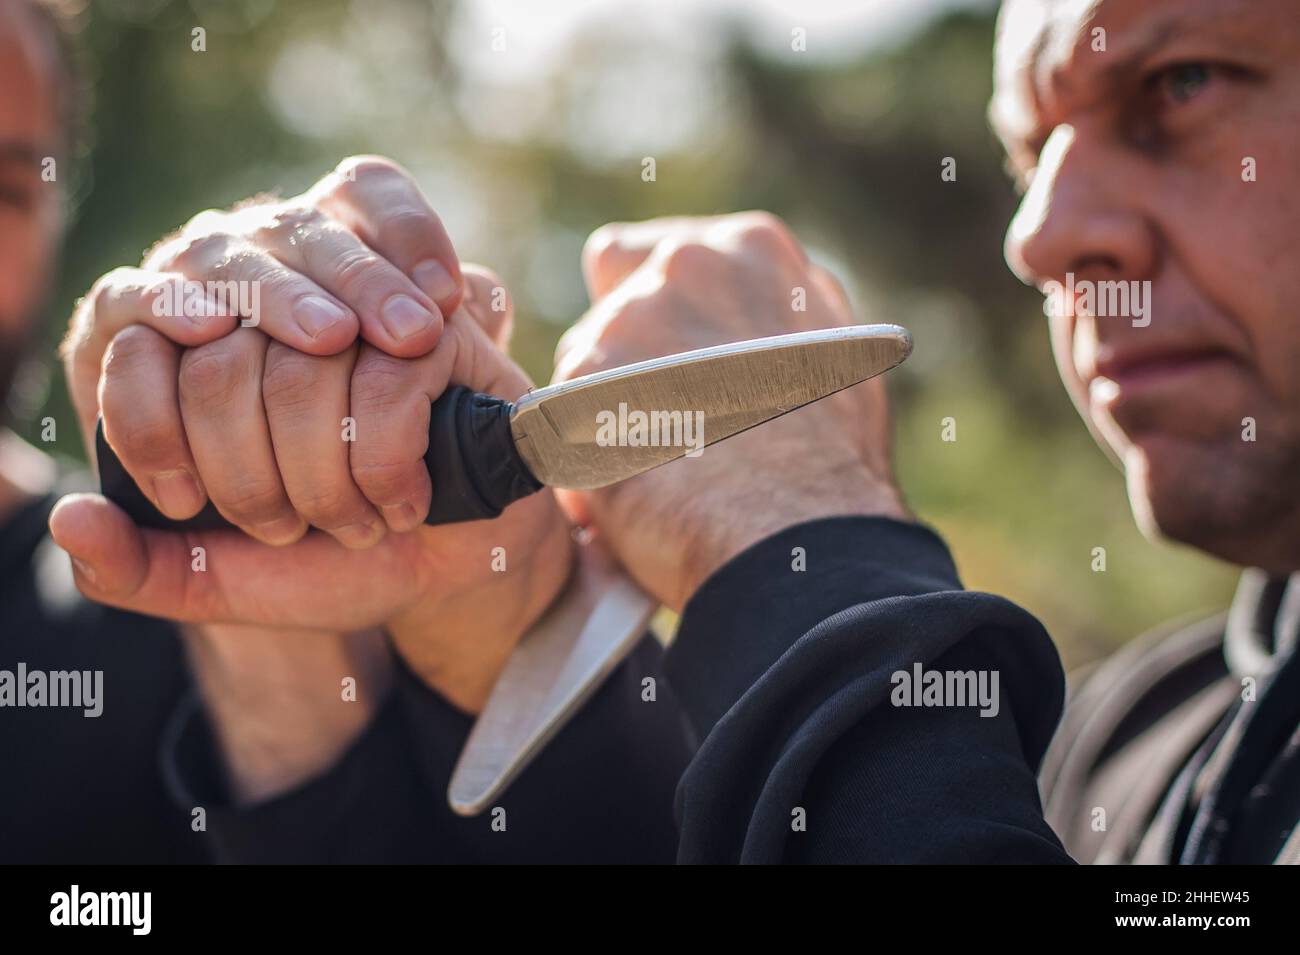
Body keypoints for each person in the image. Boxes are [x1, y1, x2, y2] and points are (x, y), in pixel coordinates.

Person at [53, 0, 1300, 863]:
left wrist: (797, 539)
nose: (1038, 234)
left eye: (1180, 84)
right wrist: (504, 626)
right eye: (1030, 153)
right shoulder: (1126, 740)